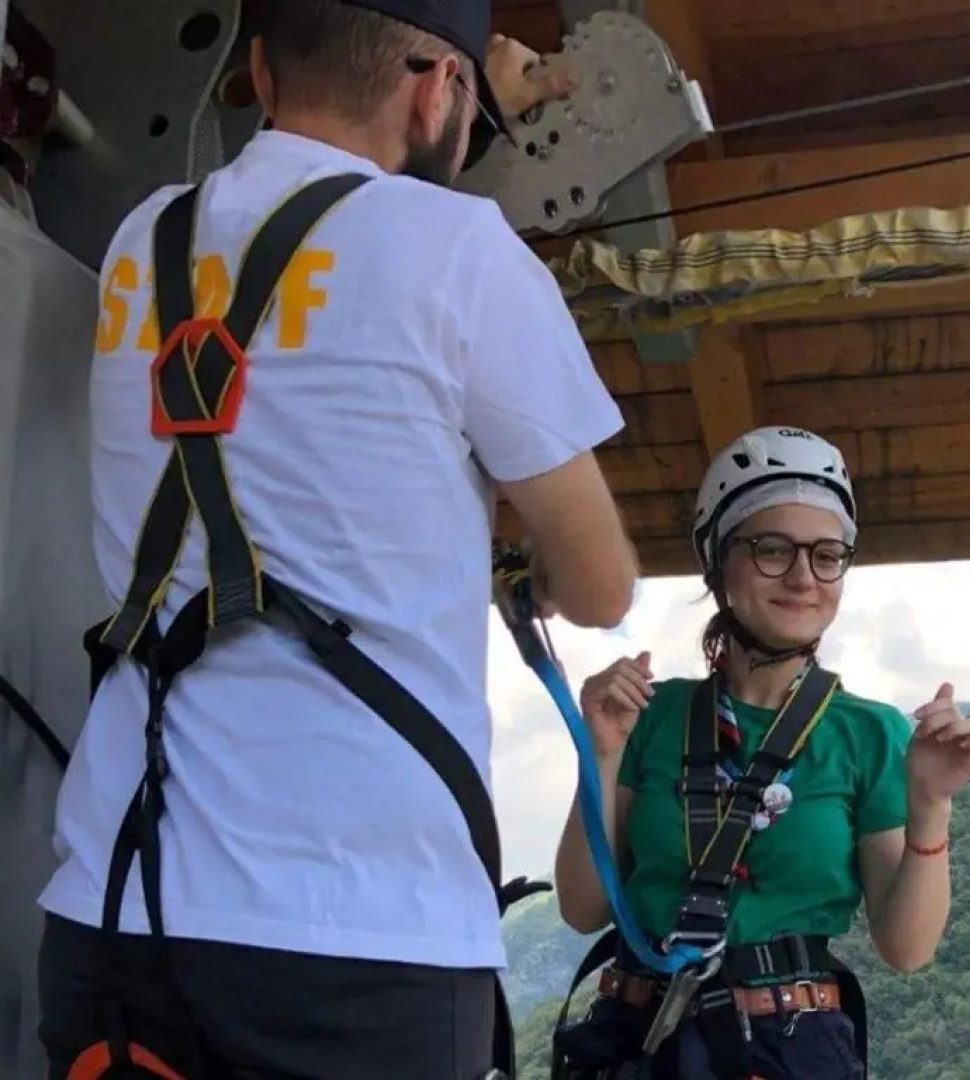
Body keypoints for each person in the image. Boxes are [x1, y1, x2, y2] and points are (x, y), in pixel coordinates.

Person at [35, 1, 638, 1077]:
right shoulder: (458, 249)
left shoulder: (143, 239)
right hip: (360, 937)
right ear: (436, 90)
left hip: (118, 914)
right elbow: (597, 585)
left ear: (259, 70)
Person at [549, 426, 970, 1079]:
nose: (802, 577)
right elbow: (583, 908)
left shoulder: (868, 734)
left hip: (787, 1047)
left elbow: (906, 947)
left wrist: (930, 801)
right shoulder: (649, 714)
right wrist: (600, 753)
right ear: (718, 562)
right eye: (770, 549)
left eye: (826, 555)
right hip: (637, 1042)